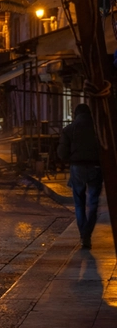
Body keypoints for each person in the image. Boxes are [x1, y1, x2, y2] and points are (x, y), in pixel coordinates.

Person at [58, 103, 104, 250]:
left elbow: (62, 153)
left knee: (79, 203)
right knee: (93, 203)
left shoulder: (69, 129)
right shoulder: (99, 129)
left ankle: (83, 235)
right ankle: (86, 234)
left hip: (77, 167)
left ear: (75, 114)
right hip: (95, 167)